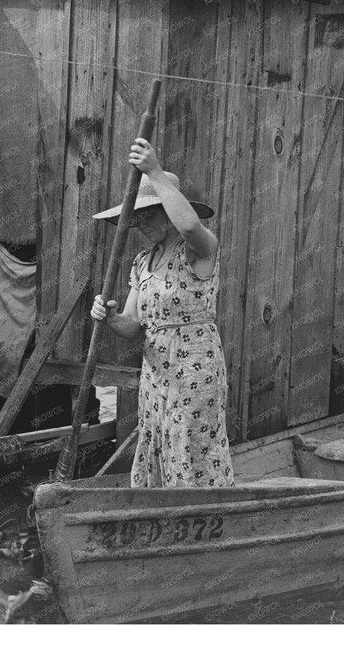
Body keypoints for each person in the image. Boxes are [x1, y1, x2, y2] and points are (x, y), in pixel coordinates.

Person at [90, 138, 234, 488]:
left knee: (191, 442)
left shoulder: (199, 250)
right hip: (155, 371)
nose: (141, 224)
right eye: (136, 218)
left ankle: (203, 516)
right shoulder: (142, 262)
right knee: (158, 438)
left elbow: (187, 226)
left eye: (149, 215)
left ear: (168, 212)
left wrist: (154, 170)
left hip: (193, 368)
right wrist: (109, 318)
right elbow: (132, 326)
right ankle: (159, 515)